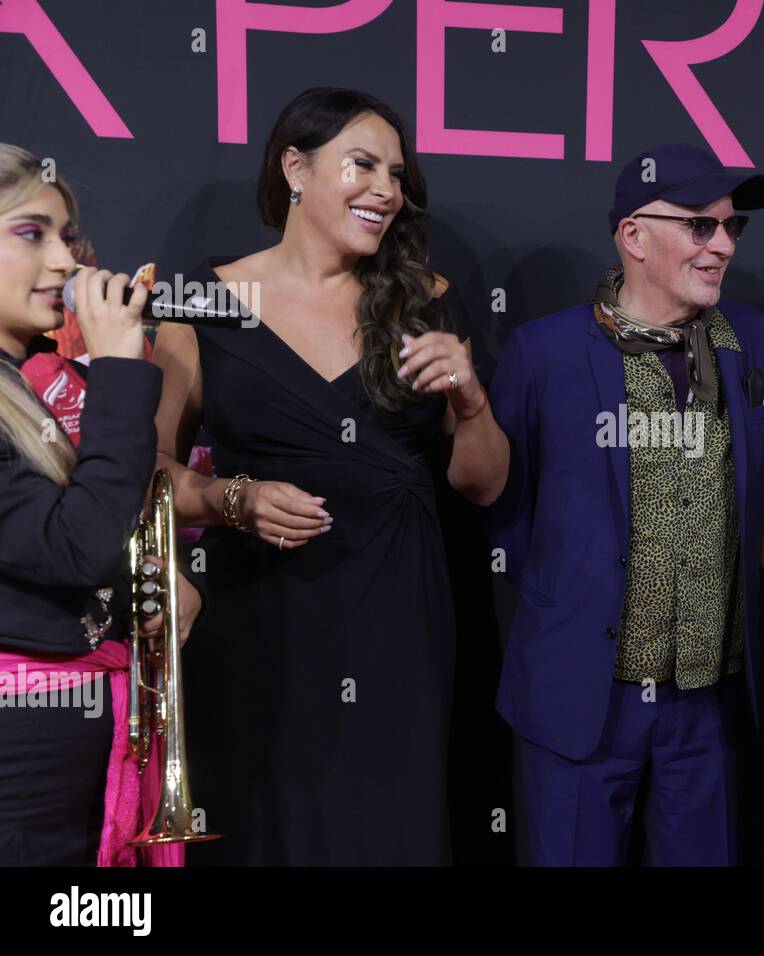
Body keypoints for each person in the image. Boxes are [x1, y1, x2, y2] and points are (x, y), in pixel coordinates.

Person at [151, 88, 508, 865]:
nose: (387, 188)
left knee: (391, 822)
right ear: (295, 168)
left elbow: (483, 485)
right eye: (363, 165)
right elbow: (150, 475)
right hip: (262, 617)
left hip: (398, 618)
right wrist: (229, 498)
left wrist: (473, 400)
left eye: (396, 172)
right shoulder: (203, 300)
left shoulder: (426, 301)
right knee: (271, 824)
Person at [488, 142, 764, 866]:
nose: (721, 246)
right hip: (580, 698)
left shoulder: (757, 343)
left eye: (729, 228)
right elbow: (500, 507)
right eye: (698, 227)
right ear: (633, 235)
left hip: (708, 705)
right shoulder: (545, 352)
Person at [0, 143, 200, 866]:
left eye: (66, 236)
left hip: (71, 757)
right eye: (31, 233)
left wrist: (136, 585)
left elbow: (75, 543)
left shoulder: (26, 386)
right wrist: (118, 365)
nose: (64, 263)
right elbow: (70, 546)